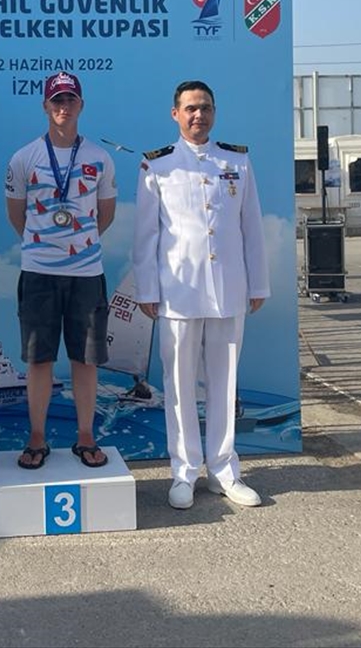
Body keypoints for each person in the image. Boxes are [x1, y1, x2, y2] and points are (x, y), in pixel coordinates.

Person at [131, 80, 270, 509]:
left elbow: (251, 227)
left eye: (205, 107)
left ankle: (224, 471)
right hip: (178, 292)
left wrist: (258, 283)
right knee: (178, 386)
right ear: (175, 114)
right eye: (190, 108)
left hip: (228, 288)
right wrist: (148, 289)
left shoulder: (237, 162)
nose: (199, 115)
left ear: (214, 112)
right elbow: (146, 236)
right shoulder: (157, 165)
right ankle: (184, 472)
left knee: (224, 386)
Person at [5, 72, 117, 470]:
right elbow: (17, 216)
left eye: (70, 100)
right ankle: (37, 436)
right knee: (39, 359)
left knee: (86, 360)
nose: (63, 107)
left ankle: (85, 436)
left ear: (81, 105)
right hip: (38, 272)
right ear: (45, 106)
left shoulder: (100, 158)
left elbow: (105, 215)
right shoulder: (23, 158)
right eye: (56, 100)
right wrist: (47, 247)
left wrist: (77, 246)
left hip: (87, 273)